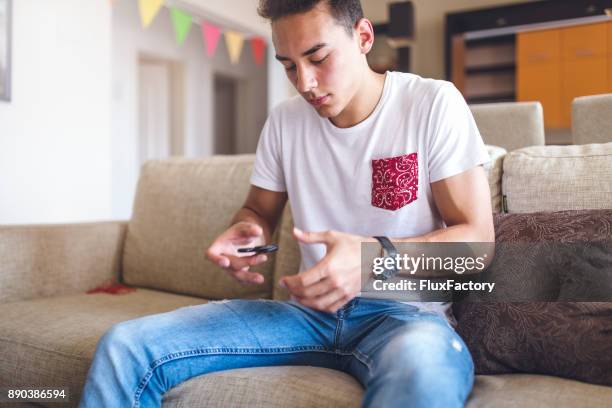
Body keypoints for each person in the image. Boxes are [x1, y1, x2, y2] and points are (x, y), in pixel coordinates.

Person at [79, 0, 494, 406]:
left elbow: (477, 244)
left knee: (422, 378)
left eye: (317, 58)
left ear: (363, 36)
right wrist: (249, 231)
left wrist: (372, 261)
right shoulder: (284, 121)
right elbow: (258, 211)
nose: (304, 83)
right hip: (304, 316)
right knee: (124, 347)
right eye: (289, 65)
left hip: (405, 317)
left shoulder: (432, 103)